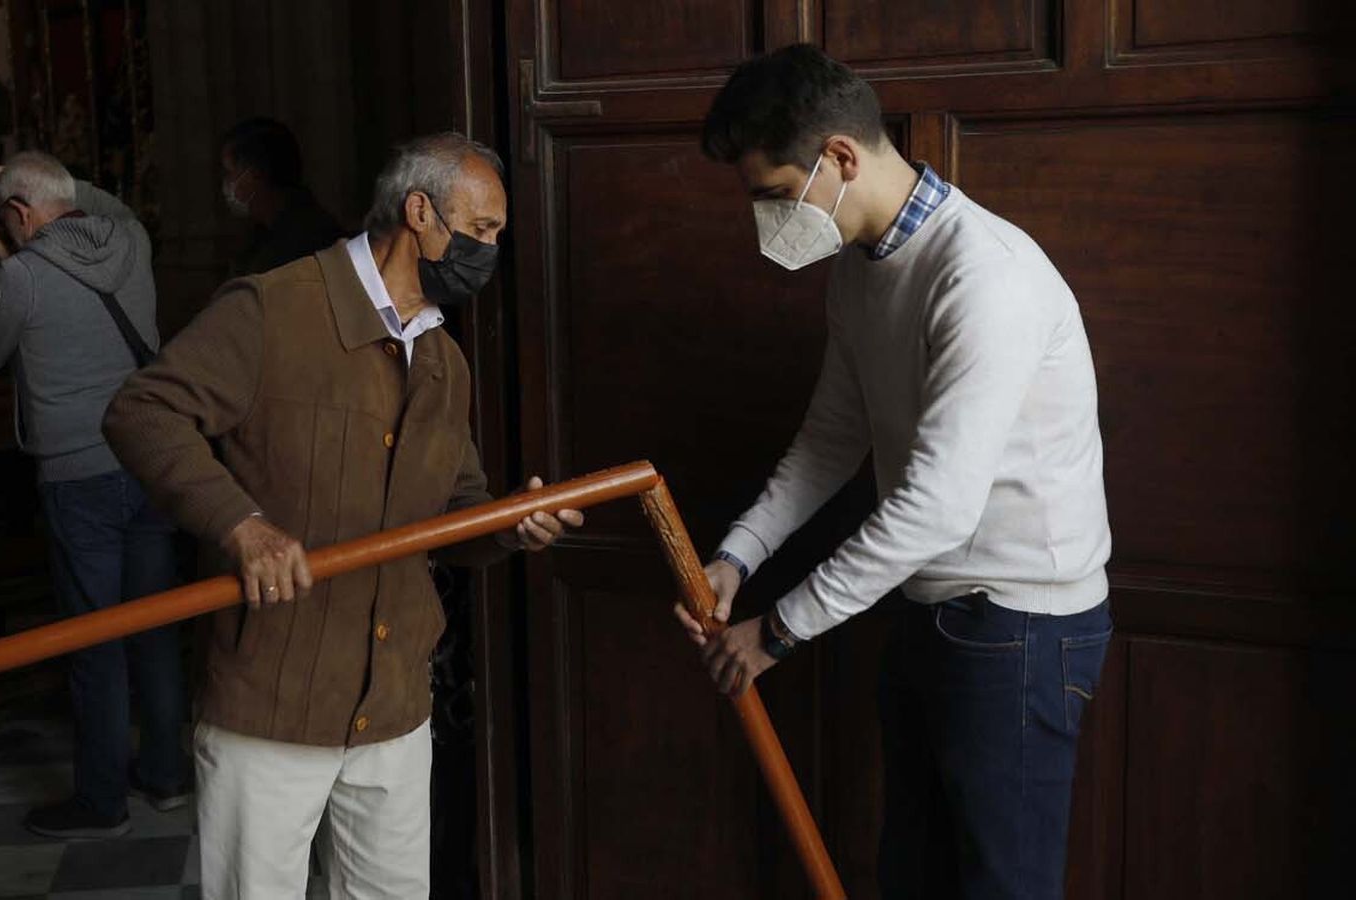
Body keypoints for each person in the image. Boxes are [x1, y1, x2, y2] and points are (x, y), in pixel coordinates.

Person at [674, 45, 1114, 900]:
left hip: (1021, 625)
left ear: (840, 157)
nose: (767, 222)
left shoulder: (983, 277)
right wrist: (737, 555)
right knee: (913, 875)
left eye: (772, 195)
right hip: (925, 608)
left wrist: (774, 632)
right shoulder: (856, 271)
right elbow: (834, 438)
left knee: (1001, 888)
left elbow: (938, 508)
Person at [104, 132, 582, 898]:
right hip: (272, 705)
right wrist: (241, 524)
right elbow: (142, 410)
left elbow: (458, 511)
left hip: (393, 704)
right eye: (484, 229)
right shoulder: (272, 308)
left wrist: (510, 524)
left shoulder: (442, 360)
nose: (491, 250)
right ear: (420, 212)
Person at [0, 151, 187, 839]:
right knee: (155, 625)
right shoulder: (133, 241)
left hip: (78, 476)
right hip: (148, 460)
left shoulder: (22, 277)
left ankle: (101, 798)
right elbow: (103, 203)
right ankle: (168, 775)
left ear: (18, 215)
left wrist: (4, 261)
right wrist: (50, 184)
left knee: (94, 638)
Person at [220, 117, 345, 274]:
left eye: (230, 172)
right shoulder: (261, 236)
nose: (227, 183)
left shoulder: (304, 240)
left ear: (255, 173)